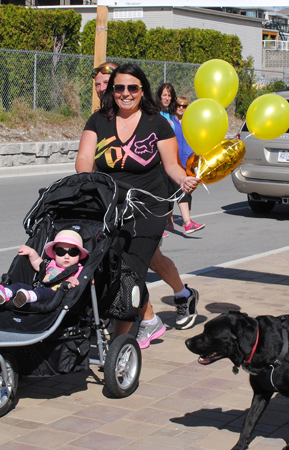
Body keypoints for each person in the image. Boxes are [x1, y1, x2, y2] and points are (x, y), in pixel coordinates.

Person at [75, 63, 201, 347]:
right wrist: (86, 179)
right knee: (106, 265)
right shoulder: (99, 120)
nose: (125, 93)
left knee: (129, 270)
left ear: (142, 90)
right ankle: (149, 319)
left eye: (132, 87)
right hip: (111, 205)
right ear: (112, 91)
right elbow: (84, 158)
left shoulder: (156, 122)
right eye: (119, 88)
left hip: (149, 207)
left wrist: (184, 180)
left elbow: (172, 166)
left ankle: (119, 344)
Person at [0, 229, 87, 308]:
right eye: (61, 252)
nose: (67, 256)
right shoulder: (51, 263)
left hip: (54, 295)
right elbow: (38, 264)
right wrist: (31, 253)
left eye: (72, 252)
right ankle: (5, 293)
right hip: (39, 289)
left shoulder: (78, 269)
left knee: (43, 292)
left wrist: (73, 281)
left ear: (79, 255)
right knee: (20, 285)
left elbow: (81, 281)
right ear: (54, 254)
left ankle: (27, 297)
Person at [171, 96, 204, 233]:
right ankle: (183, 222)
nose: (181, 108)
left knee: (188, 190)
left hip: (189, 162)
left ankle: (186, 220)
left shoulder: (190, 122)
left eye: (184, 106)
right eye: (179, 105)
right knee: (176, 190)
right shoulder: (170, 121)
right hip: (174, 162)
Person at [156, 82, 179, 235]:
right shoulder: (156, 114)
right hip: (158, 159)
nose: (167, 98)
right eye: (164, 95)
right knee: (160, 193)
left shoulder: (170, 115)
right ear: (159, 96)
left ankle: (168, 222)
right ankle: (158, 225)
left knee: (170, 192)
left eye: (169, 95)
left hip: (170, 160)